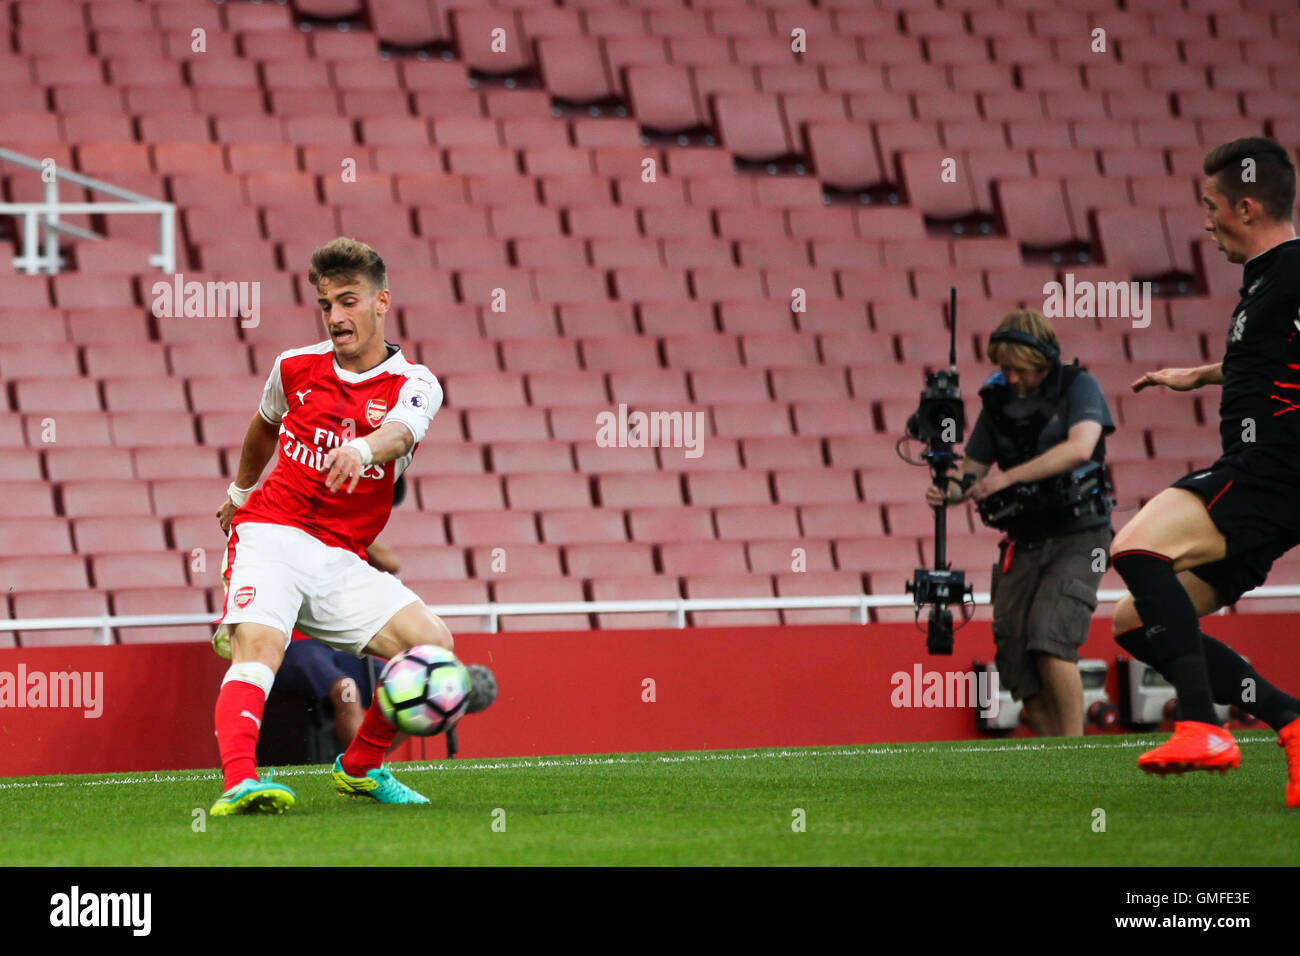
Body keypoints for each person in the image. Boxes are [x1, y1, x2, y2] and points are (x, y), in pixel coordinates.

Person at [209, 236, 452, 815]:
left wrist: (365, 450)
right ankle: (239, 783)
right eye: (326, 304)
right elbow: (263, 426)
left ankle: (362, 769)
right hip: (272, 531)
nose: (337, 317)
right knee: (260, 648)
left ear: (381, 301)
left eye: (349, 301)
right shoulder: (293, 367)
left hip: (341, 554)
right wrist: (240, 492)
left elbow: (400, 433)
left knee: (433, 647)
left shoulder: (416, 384)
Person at [1109, 137, 1300, 804]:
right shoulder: (1268, 281)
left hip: (1270, 470)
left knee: (1135, 545)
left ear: (1245, 207)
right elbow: (1276, 356)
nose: (1205, 220)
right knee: (1136, 623)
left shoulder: (1296, 269)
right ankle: (1292, 723)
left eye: (1210, 206)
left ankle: (1200, 723)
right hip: (1262, 480)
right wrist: (1206, 374)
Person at [927, 309, 1115, 737]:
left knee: (1050, 638)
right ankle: (1051, 755)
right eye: (1004, 368)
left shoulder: (1079, 386)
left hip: (1080, 535)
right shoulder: (997, 404)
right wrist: (949, 489)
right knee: (1013, 649)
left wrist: (1007, 477)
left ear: (1042, 361)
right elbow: (971, 472)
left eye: (1018, 369)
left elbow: (1081, 448)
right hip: (1024, 540)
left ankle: (1074, 751)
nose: (1010, 377)